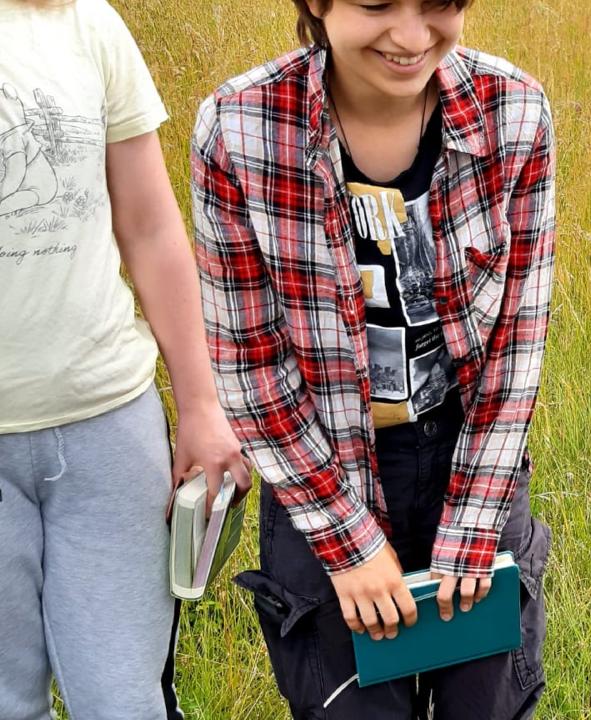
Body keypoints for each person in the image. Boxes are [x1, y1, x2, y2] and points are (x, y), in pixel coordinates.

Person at [190, 0, 555, 717]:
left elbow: (517, 340)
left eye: (439, 3)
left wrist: (474, 522)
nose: (412, 36)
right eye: (378, 4)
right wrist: (348, 542)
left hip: (469, 463)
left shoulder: (513, 112)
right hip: (318, 468)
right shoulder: (239, 129)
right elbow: (250, 366)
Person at [0, 0, 248, 717]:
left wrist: (200, 406)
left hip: (108, 432)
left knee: (124, 702)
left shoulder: (90, 25)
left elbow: (149, 228)